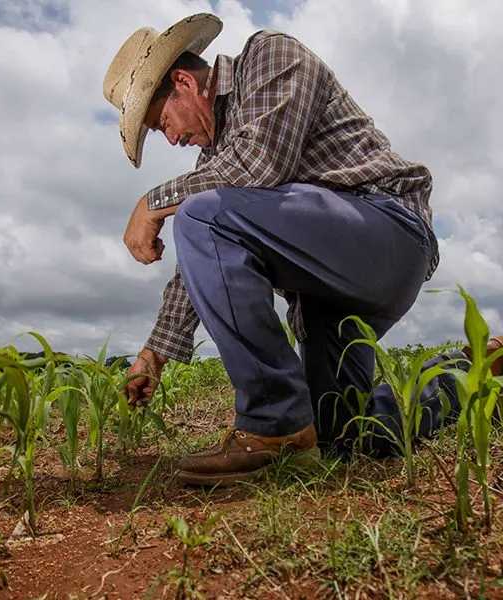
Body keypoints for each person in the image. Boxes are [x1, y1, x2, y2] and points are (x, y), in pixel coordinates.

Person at [102, 13, 502, 486]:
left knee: (198, 213)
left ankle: (272, 423)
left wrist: (153, 202)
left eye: (161, 122)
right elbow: (203, 257)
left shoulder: (270, 57)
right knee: (345, 433)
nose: (171, 138)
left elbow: (260, 165)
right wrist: (153, 354)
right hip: (326, 296)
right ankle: (476, 372)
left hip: (388, 231)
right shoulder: (214, 162)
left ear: (184, 82)